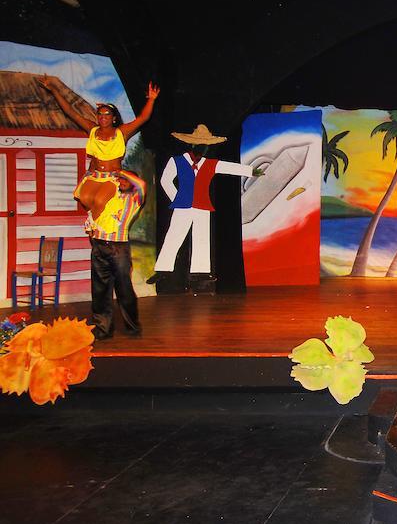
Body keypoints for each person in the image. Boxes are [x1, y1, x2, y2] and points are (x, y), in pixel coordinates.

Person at [148, 125, 262, 284]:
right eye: (200, 145)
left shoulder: (210, 164)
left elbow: (230, 167)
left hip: (202, 205)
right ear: (192, 145)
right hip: (182, 206)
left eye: (205, 145)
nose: (203, 148)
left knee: (201, 238)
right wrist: (178, 198)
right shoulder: (177, 161)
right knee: (174, 236)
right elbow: (165, 180)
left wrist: (251, 171)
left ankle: (200, 272)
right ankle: (163, 270)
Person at [36, 75, 159, 220]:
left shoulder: (122, 132)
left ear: (113, 118)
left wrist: (151, 99)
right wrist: (54, 90)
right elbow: (70, 112)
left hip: (112, 177)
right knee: (85, 198)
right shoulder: (92, 129)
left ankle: (98, 227)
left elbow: (142, 118)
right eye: (100, 115)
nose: (103, 117)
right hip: (94, 176)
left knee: (100, 204)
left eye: (107, 115)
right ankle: (98, 226)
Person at [86, 170, 147, 340]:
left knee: (124, 289)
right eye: (120, 179)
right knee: (100, 290)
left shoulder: (133, 199)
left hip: (118, 248)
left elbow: (142, 185)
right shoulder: (106, 198)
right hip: (99, 246)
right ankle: (103, 329)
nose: (122, 181)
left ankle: (132, 327)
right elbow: (91, 220)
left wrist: (119, 171)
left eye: (126, 179)